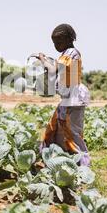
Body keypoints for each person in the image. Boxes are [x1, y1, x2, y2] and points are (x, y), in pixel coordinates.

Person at [38, 24, 91, 167]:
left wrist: (43, 60)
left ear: (68, 39)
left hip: (73, 100)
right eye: (54, 43)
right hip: (68, 99)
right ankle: (57, 158)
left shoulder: (71, 53)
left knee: (72, 132)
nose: (56, 46)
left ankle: (83, 164)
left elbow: (53, 70)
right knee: (55, 127)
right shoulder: (66, 54)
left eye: (58, 42)